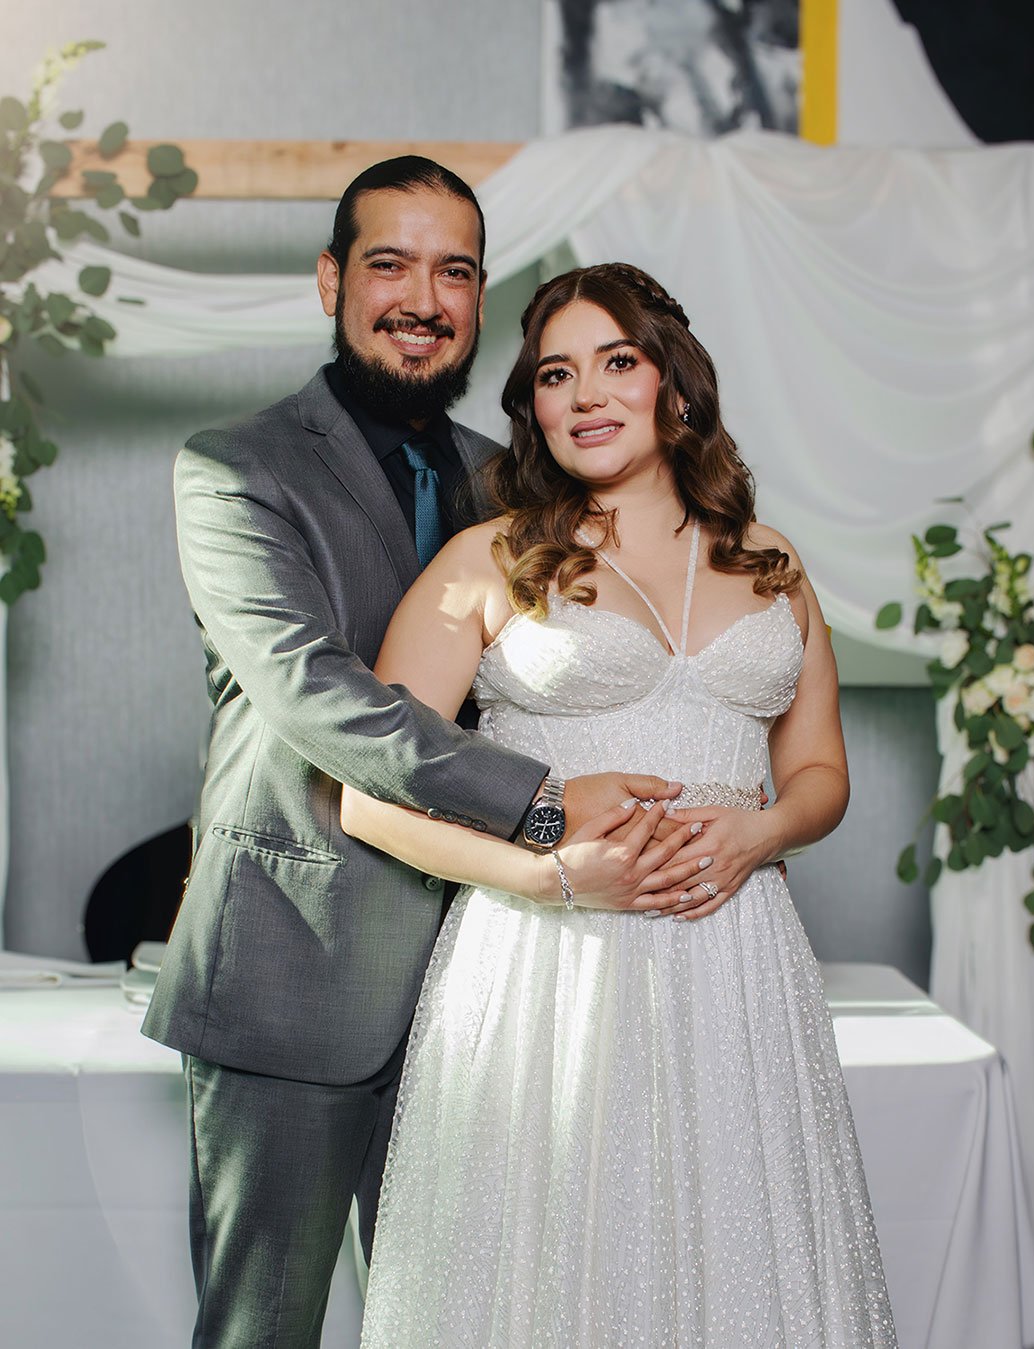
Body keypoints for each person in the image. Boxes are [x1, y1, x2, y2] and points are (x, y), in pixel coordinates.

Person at [141, 161, 689, 1349]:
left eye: (454, 271)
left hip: (491, 980)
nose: (422, 298)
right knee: (261, 1331)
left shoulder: (518, 485)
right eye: (389, 263)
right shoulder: (236, 468)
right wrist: (544, 804)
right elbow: (317, 694)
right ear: (331, 279)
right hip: (297, 972)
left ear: (481, 298)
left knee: (468, 1321)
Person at [342, 263, 898, 1345]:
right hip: (549, 963)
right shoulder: (487, 561)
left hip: (736, 959)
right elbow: (368, 798)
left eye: (617, 362)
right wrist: (548, 872)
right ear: (533, 407)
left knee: (741, 1256)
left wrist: (762, 832)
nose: (585, 395)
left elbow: (821, 774)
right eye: (556, 374)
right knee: (555, 1265)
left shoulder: (772, 561)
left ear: (674, 385)